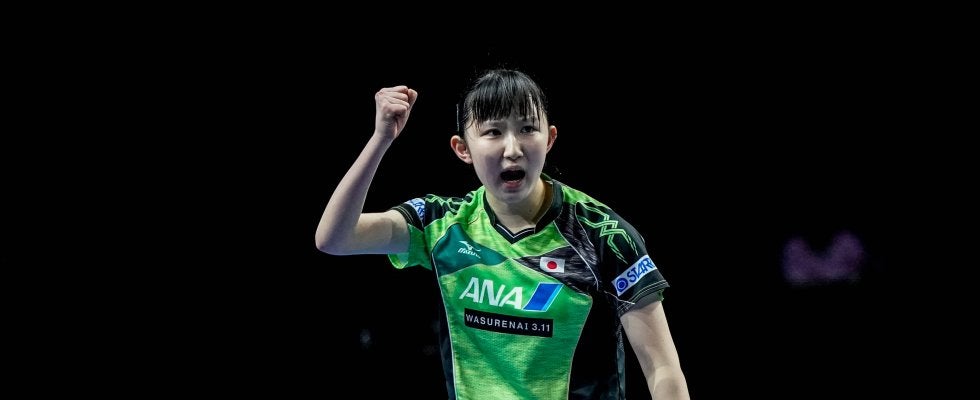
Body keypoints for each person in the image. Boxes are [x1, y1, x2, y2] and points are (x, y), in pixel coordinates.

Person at [315, 69, 689, 399]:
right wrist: (381, 138)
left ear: (550, 139)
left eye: (527, 129)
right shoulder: (443, 224)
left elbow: (662, 369)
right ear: (462, 149)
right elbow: (335, 238)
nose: (512, 149)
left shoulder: (603, 236)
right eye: (493, 132)